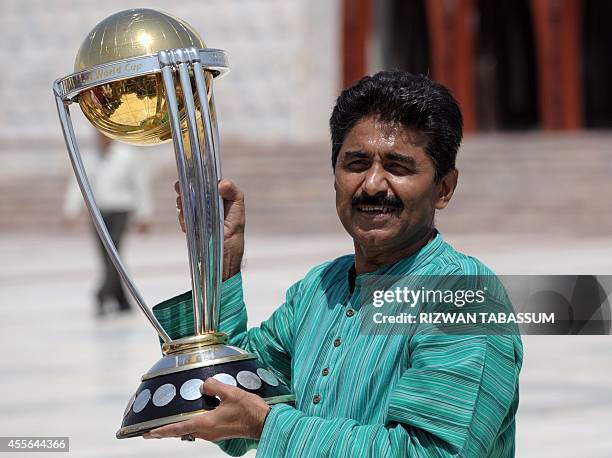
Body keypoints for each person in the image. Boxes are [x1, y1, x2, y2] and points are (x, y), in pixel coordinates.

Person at [146, 72, 523, 457]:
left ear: (444, 188)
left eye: (398, 167)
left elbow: (432, 453)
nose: (373, 184)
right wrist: (221, 258)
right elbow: (231, 396)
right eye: (356, 163)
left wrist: (266, 425)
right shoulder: (320, 289)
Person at [63, 132, 153, 315]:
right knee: (106, 256)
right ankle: (122, 300)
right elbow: (78, 182)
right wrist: (71, 208)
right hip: (98, 212)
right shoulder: (89, 157)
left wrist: (144, 213)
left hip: (121, 210)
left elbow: (140, 185)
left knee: (114, 253)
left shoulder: (128, 155)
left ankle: (102, 293)